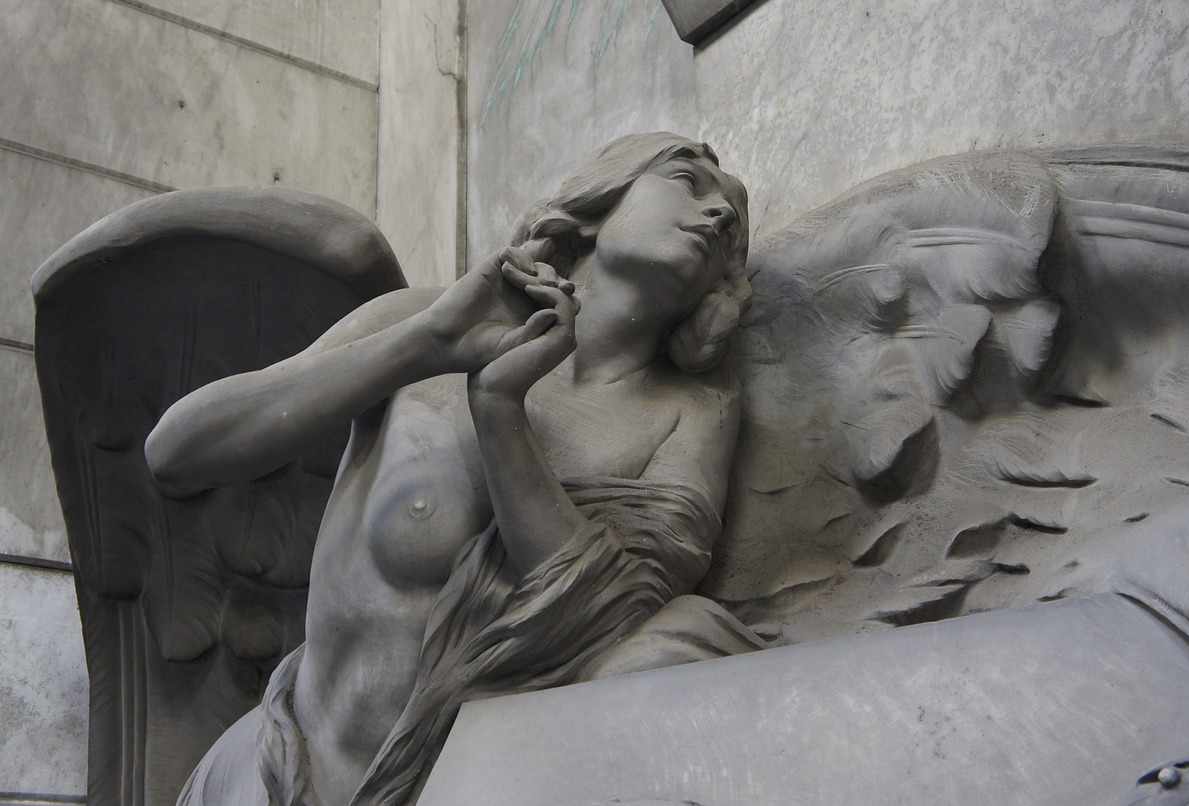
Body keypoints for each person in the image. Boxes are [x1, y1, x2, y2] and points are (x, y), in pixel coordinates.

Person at [143, 132, 759, 805]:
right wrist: (428, 342)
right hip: (266, 782)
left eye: (733, 221)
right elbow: (177, 452)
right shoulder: (424, 321)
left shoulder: (695, 413)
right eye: (687, 181)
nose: (719, 214)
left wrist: (500, 410)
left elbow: (596, 607)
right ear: (597, 204)